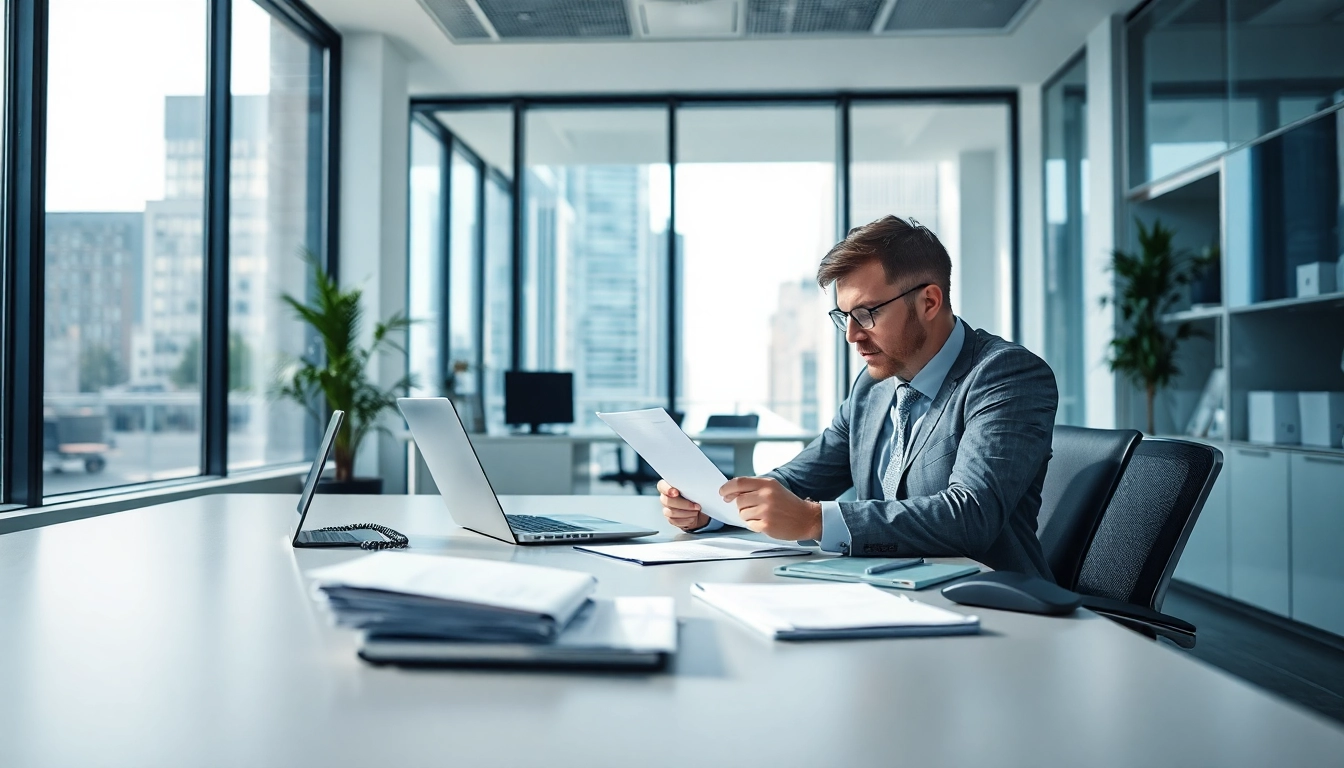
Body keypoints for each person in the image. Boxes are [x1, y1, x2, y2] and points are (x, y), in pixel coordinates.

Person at [659, 215, 1059, 580]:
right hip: (885, 594)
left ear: (929, 302)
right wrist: (712, 508)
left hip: (993, 608)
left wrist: (814, 520)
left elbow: (970, 516)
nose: (852, 335)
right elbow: (795, 483)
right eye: (843, 317)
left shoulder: (1005, 375)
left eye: (867, 313)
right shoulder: (873, 388)